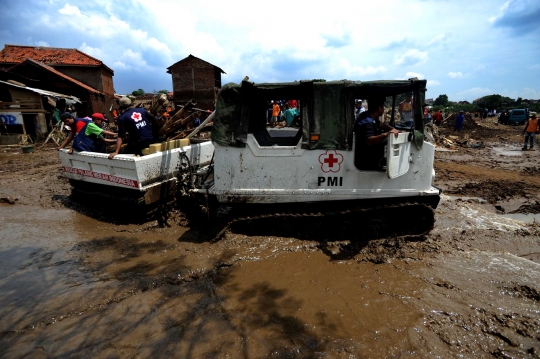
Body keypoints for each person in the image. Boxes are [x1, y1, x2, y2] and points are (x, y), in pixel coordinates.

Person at [354, 97, 400, 170]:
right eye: (383, 107)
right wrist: (386, 134)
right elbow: (369, 141)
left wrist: (393, 129)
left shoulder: (368, 116)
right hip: (365, 158)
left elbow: (381, 124)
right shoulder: (367, 122)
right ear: (379, 108)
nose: (384, 109)